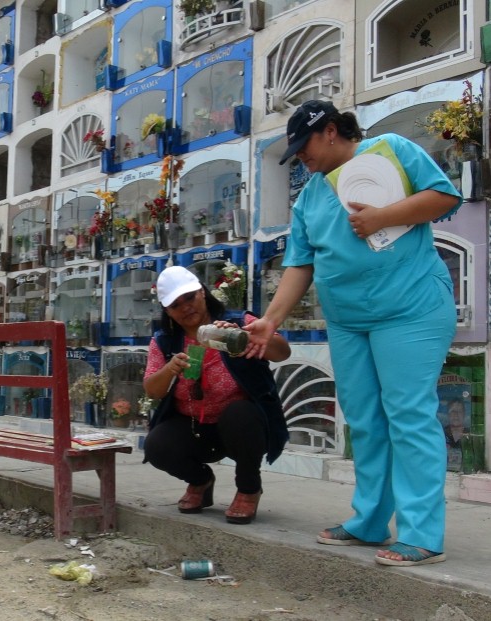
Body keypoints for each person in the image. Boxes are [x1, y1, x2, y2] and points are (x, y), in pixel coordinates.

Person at [245, 100, 461, 566]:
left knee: (407, 414)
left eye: (304, 147)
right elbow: (300, 264)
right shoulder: (311, 197)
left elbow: (444, 196)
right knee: (364, 420)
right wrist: (272, 319)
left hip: (410, 309)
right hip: (347, 321)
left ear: (329, 131)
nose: (301, 157)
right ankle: (369, 520)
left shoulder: (391, 150)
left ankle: (422, 534)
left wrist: (382, 217)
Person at [142, 266, 291, 524]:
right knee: (156, 445)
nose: (186, 307)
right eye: (176, 305)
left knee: (240, 413)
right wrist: (170, 369)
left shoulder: (238, 322)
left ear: (202, 292)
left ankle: (248, 488)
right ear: (168, 311)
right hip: (195, 428)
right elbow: (152, 390)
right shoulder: (165, 341)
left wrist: (244, 337)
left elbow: (282, 353)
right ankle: (200, 480)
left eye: (189, 297)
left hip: (241, 429)